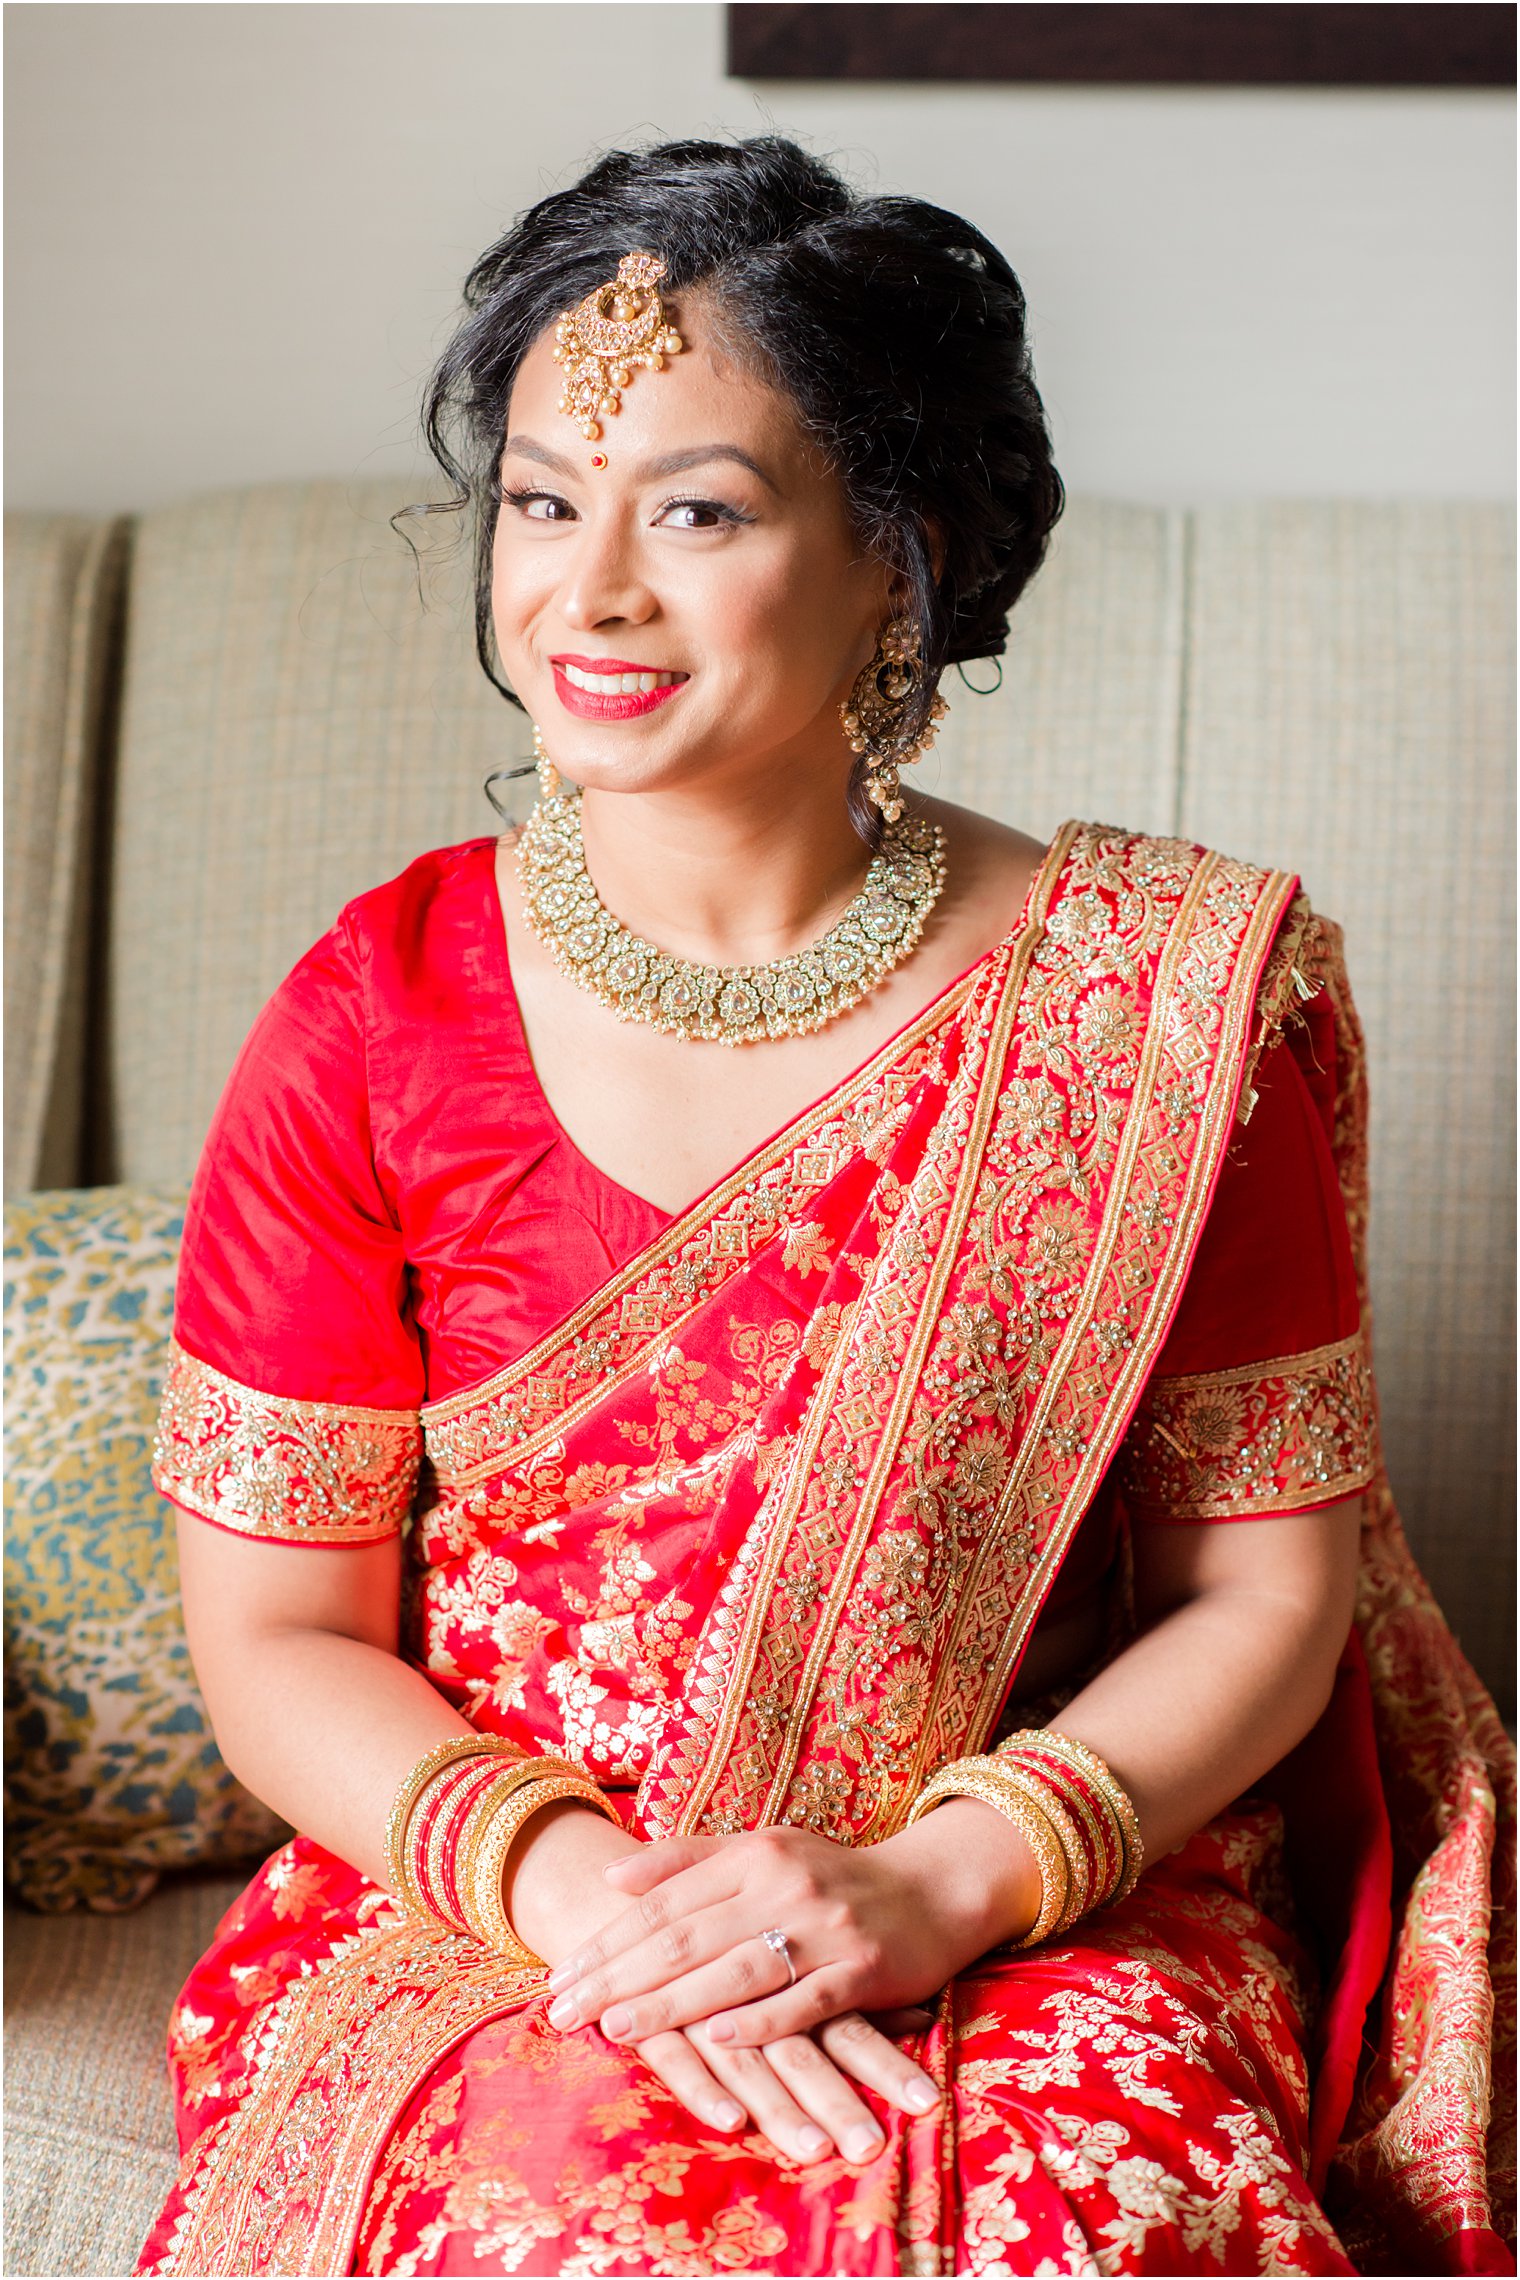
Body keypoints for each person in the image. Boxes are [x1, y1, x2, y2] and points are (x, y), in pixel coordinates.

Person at [135, 138, 1512, 2279]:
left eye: (694, 508)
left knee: (1079, 2212)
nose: (585, 590)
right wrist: (597, 1900)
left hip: (1033, 1890)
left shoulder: (1154, 1011)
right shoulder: (373, 1015)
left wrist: (934, 1886)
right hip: (507, 1909)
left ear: (903, 558)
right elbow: (278, 1632)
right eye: (535, 499)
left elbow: (1264, 1596)